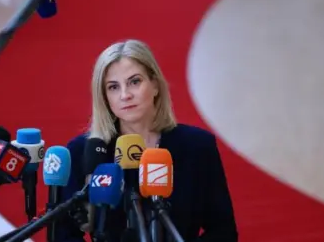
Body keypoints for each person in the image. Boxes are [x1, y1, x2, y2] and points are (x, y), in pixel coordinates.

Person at [55, 39, 238, 242]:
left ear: (155, 86)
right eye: (113, 87)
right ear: (104, 97)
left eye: (135, 82)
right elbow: (63, 236)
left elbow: (224, 231)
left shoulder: (198, 147)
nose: (125, 95)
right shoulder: (84, 152)